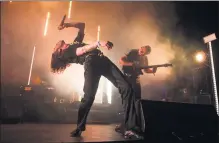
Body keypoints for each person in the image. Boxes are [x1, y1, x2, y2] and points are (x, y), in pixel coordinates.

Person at [50, 21, 144, 139]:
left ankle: (129, 127)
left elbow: (82, 25)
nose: (60, 43)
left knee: (126, 87)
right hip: (91, 64)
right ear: (59, 50)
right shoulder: (66, 53)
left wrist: (67, 25)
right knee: (89, 96)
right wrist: (99, 43)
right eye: (59, 45)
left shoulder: (74, 42)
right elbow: (83, 50)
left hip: (102, 60)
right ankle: (79, 127)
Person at [115, 46, 157, 134]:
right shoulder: (132, 52)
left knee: (137, 101)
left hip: (136, 79)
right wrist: (131, 64)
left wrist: (153, 70)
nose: (142, 53)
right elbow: (121, 61)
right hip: (127, 78)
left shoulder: (144, 58)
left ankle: (136, 124)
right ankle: (124, 124)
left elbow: (146, 70)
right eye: (142, 51)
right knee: (127, 101)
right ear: (141, 48)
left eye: (144, 53)